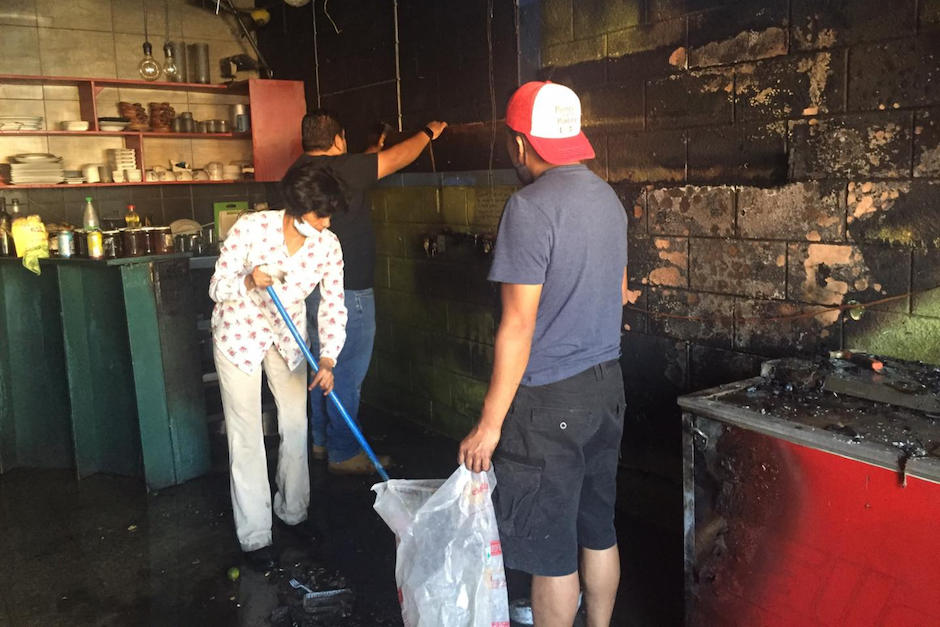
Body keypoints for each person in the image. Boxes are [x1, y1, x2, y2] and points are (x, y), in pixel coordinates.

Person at [458, 81, 629, 627]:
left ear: (520, 144)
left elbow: (517, 325)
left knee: (552, 554)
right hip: (607, 390)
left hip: (550, 400)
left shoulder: (529, 208)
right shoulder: (607, 198)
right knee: (598, 530)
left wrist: (490, 424)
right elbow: (621, 286)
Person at [290, 110, 447, 474]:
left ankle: (321, 442)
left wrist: (367, 152)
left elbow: (352, 171)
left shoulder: (298, 169)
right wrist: (428, 131)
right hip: (349, 291)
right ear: (338, 139)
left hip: (309, 290)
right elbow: (398, 157)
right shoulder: (346, 168)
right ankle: (344, 454)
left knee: (320, 365)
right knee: (346, 372)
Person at [209, 164, 349, 571]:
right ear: (297, 208)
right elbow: (217, 287)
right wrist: (249, 281)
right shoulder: (252, 229)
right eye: (319, 215)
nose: (325, 223)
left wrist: (327, 358)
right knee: (247, 433)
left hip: (288, 341)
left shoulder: (328, 245)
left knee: (295, 425)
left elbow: (332, 304)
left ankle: (293, 512)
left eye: (329, 215)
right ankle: (255, 535)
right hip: (239, 334)